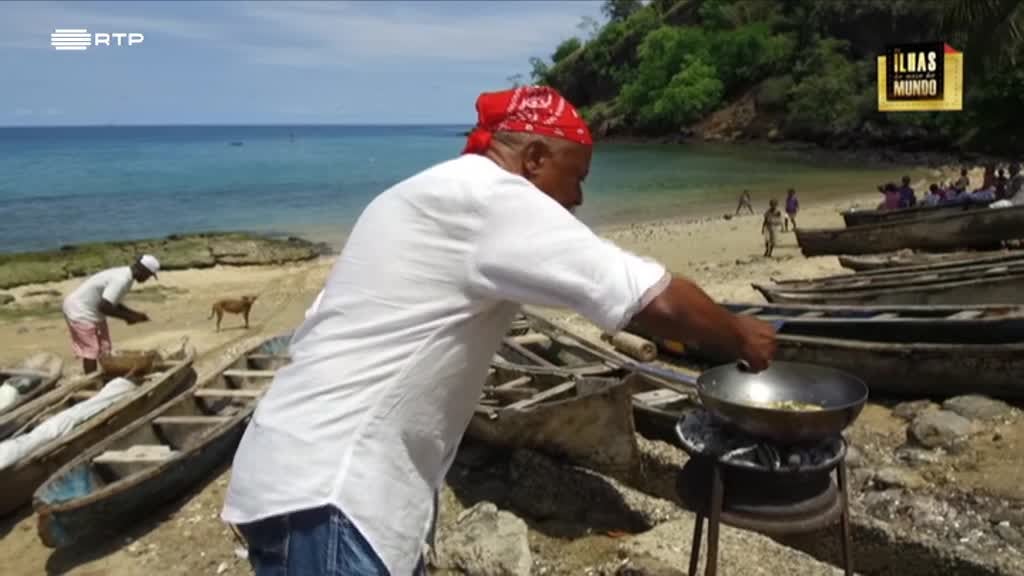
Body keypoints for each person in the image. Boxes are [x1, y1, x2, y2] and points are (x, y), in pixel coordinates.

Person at [219, 86, 777, 576]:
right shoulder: (491, 198)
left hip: (304, 477)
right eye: (576, 177)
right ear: (534, 158)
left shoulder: (424, 194)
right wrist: (740, 337)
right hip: (336, 491)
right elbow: (647, 298)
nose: (579, 198)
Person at [61, 255, 159, 374]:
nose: (147, 279)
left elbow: (113, 303)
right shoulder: (121, 279)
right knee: (91, 350)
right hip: (79, 310)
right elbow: (104, 307)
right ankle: (91, 382)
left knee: (105, 348)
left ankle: (105, 375)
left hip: (93, 311)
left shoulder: (127, 277)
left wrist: (134, 314)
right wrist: (128, 317)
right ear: (143, 270)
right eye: (148, 275)